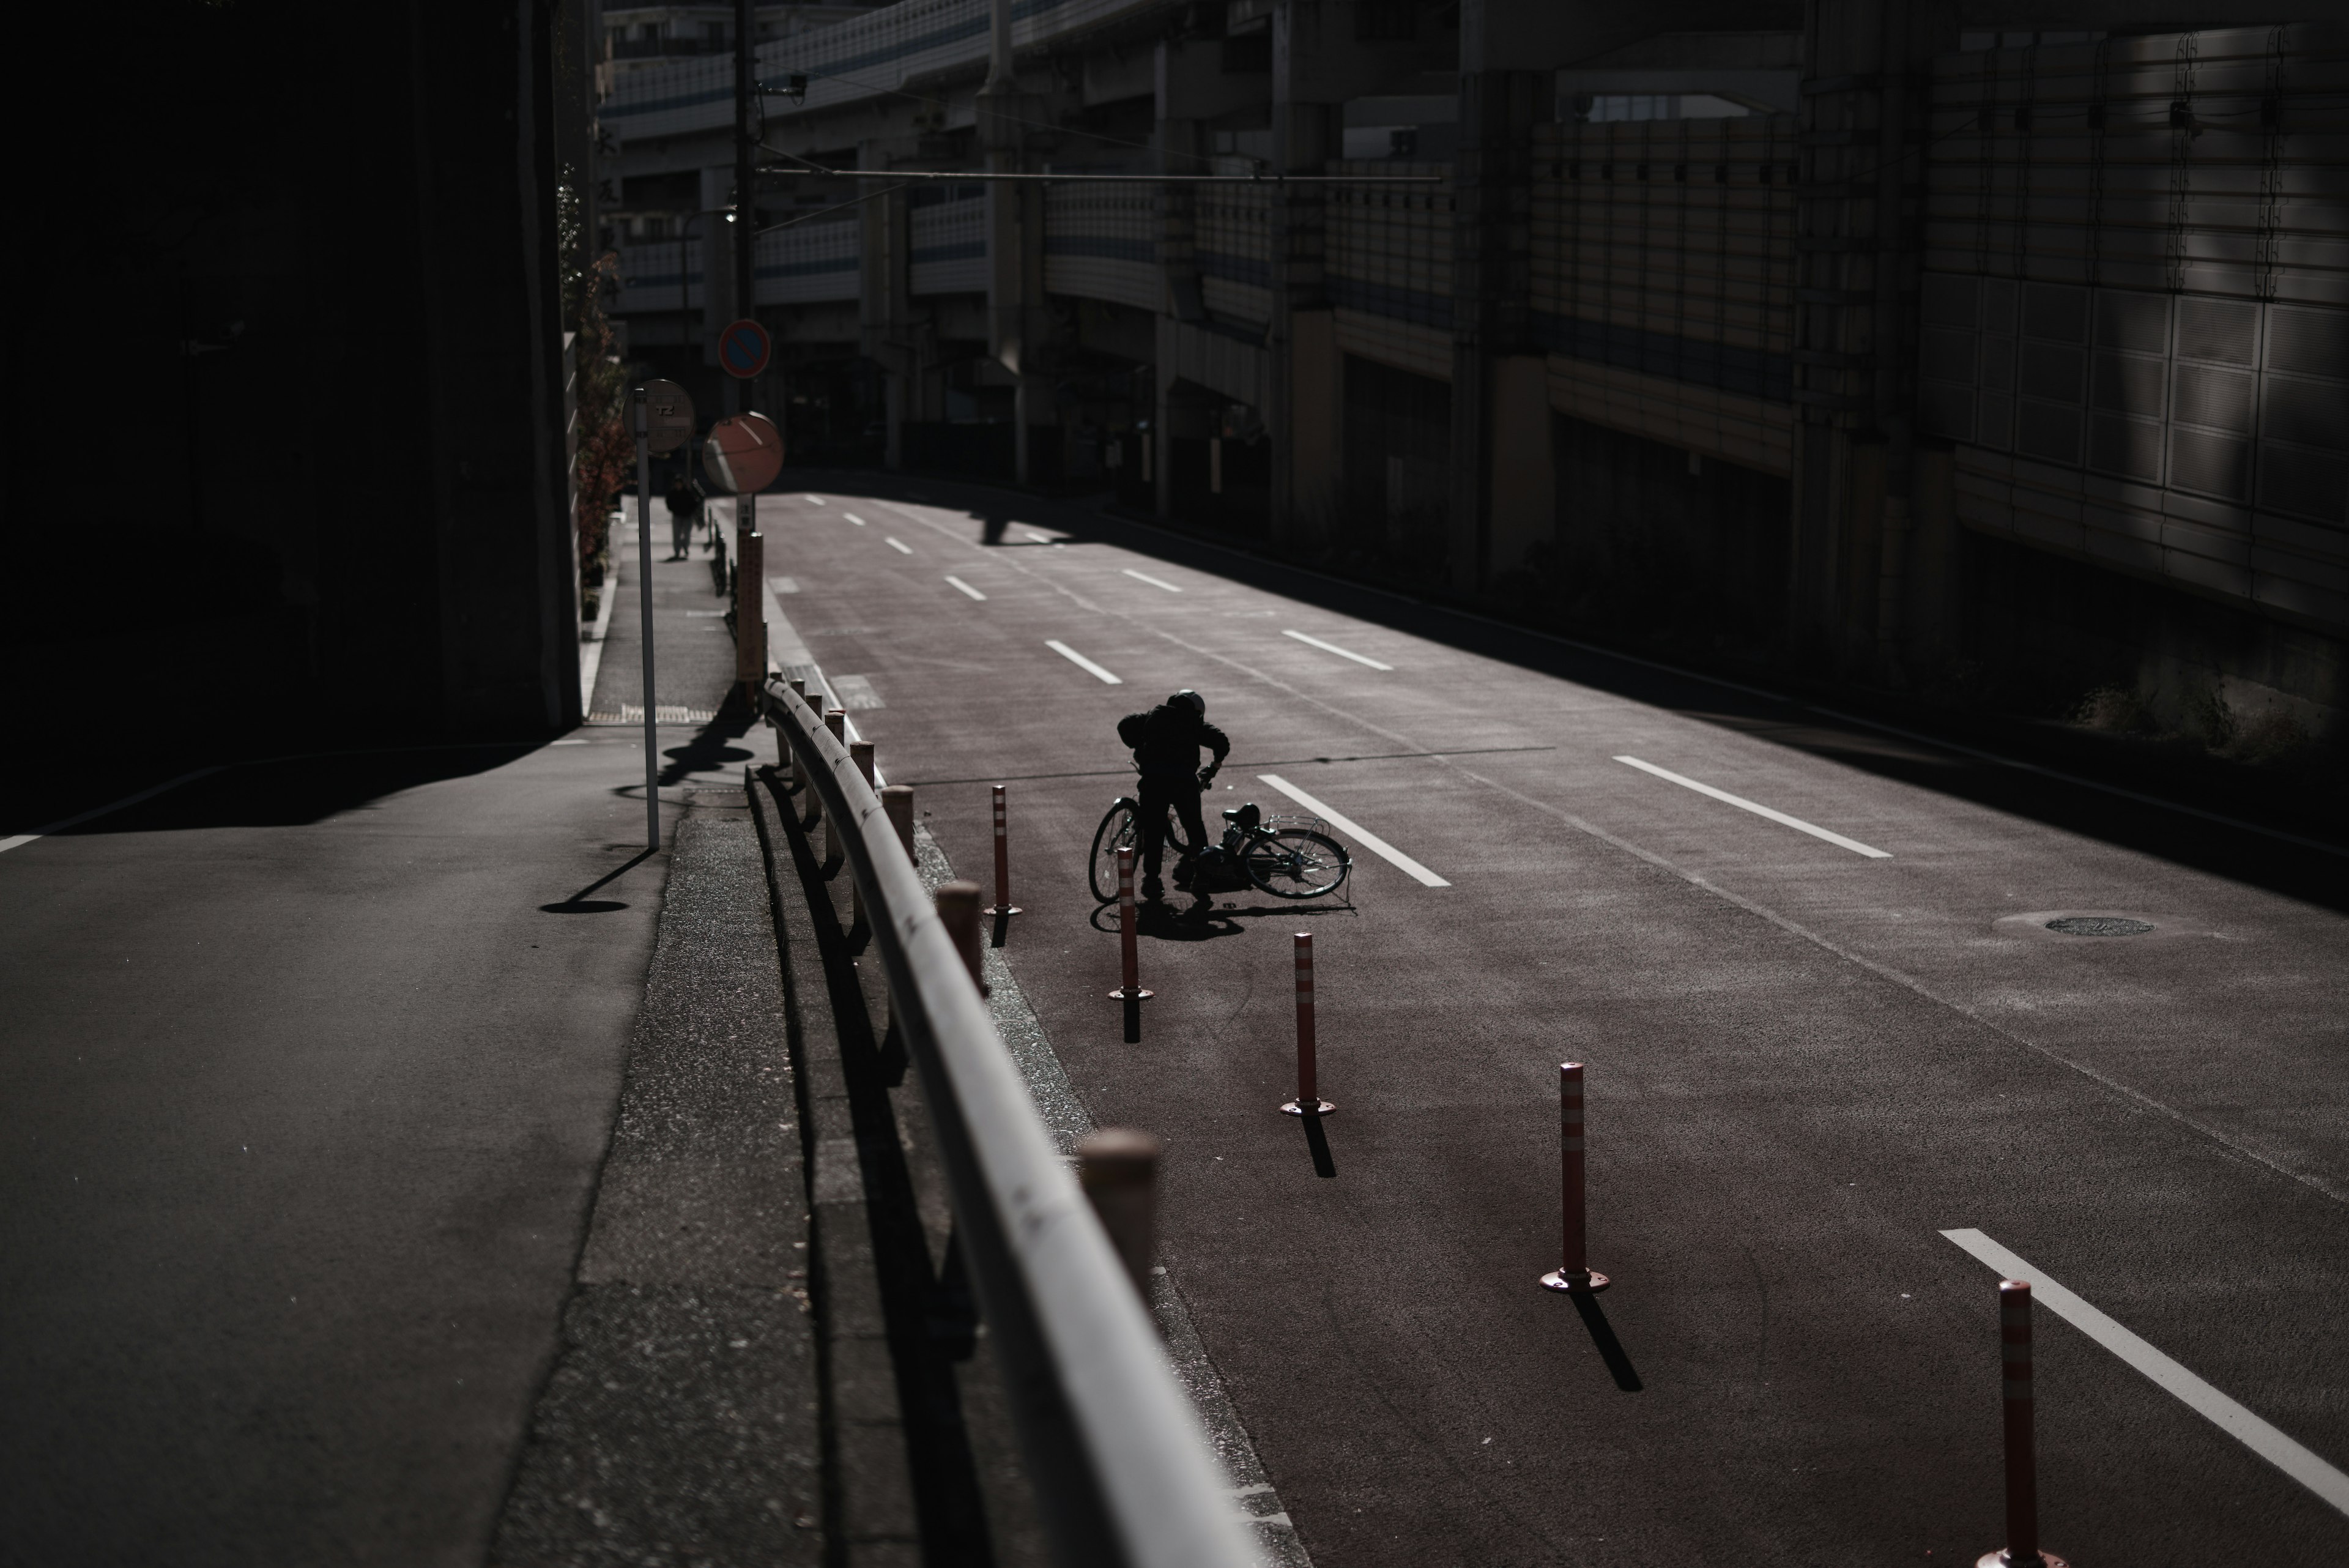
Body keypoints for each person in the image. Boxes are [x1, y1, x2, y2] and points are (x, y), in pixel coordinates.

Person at [1116, 689, 1230, 904]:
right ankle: (1201, 876)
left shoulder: (1152, 715)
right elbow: (1221, 742)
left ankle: (1152, 881)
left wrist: (1139, 747)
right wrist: (1214, 766)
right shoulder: (1193, 723)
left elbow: (1124, 725)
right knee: (1194, 827)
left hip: (1153, 782)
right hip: (1183, 783)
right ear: (1197, 711)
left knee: (1154, 831)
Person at [664, 470, 702, 560]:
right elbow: (668, 502)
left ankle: (685, 546)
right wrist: (672, 509)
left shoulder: (688, 493)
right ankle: (677, 551)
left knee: (687, 534)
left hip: (687, 516)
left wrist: (691, 511)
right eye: (677, 483)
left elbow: (695, 502)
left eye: (679, 483)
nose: (678, 485)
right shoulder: (673, 493)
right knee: (676, 534)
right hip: (677, 515)